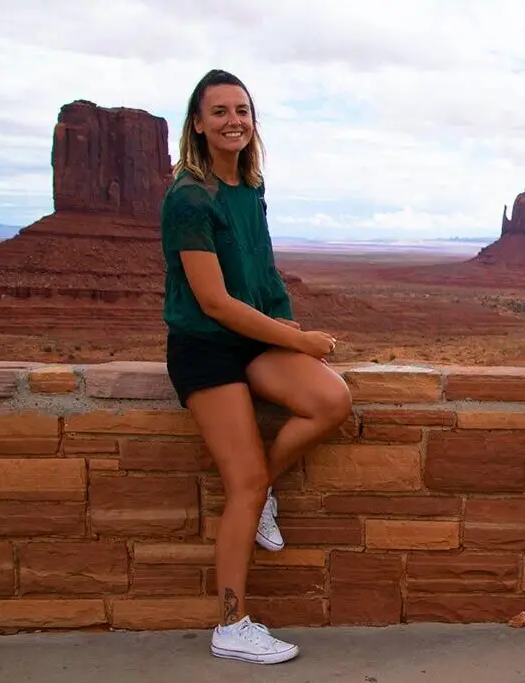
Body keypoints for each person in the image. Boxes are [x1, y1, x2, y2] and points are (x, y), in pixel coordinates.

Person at [160, 69, 353, 665]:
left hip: (254, 339)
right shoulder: (190, 198)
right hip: (206, 347)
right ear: (197, 123)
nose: (233, 120)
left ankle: (263, 489)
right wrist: (304, 341)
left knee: (332, 400)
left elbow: (261, 272)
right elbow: (214, 302)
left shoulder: (250, 186)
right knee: (240, 484)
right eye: (218, 111)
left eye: (241, 109)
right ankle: (231, 622)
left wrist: (286, 329)